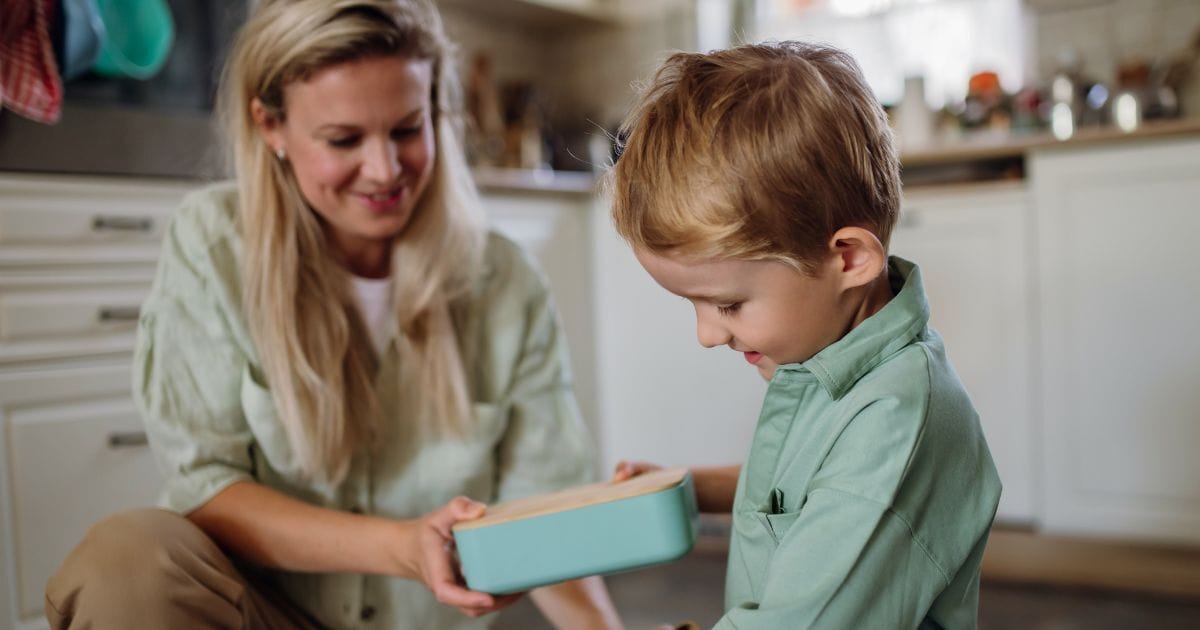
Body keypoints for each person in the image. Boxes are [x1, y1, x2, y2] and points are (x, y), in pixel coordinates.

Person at [44, 1, 622, 628]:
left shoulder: (504, 280)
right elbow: (205, 487)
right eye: (344, 139)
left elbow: (544, 509)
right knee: (125, 559)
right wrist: (400, 547)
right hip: (263, 615)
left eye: (407, 129)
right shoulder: (214, 247)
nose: (384, 170)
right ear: (271, 126)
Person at [609, 41, 1002, 628]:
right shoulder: (837, 358)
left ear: (848, 259)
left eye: (727, 303)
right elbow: (817, 486)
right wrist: (690, 490)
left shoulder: (897, 419)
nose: (707, 335)